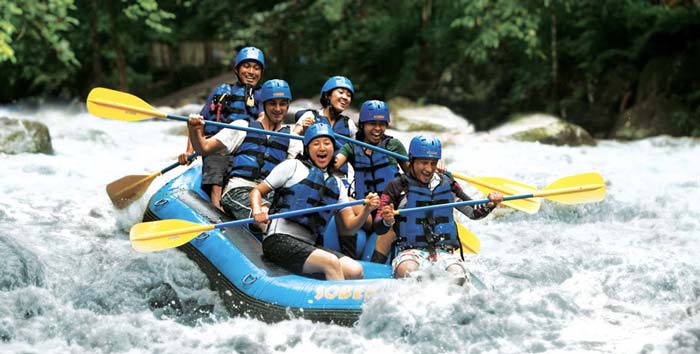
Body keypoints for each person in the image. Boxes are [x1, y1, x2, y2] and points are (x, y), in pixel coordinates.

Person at [250, 123, 380, 280]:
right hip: (279, 240)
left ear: (333, 149)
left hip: (309, 245)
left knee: (355, 270)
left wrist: (366, 209)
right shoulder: (292, 166)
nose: (322, 148)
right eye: (316, 143)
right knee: (331, 262)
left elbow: (349, 228)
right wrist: (257, 210)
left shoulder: (337, 183)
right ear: (307, 148)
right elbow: (257, 191)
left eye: (327, 143)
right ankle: (337, 304)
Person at [372, 134, 503, 282]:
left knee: (458, 276)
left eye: (433, 163)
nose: (429, 169)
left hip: (444, 252)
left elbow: (474, 212)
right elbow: (378, 227)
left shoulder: (448, 183)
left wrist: (490, 204)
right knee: (408, 271)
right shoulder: (396, 186)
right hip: (410, 252)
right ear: (411, 160)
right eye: (424, 162)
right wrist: (386, 221)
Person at [187, 79, 301, 230]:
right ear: (264, 105)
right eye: (273, 103)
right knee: (270, 219)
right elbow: (204, 148)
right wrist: (195, 129)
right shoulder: (242, 127)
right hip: (239, 190)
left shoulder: (293, 139)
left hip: (270, 195)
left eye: (283, 103)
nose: (278, 109)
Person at [179, 46, 266, 210]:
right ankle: (216, 207)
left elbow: (264, 118)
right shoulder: (221, 91)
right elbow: (198, 123)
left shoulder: (262, 95)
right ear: (237, 69)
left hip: (244, 147)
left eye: (256, 68)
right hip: (217, 145)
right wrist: (189, 152)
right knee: (218, 163)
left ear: (261, 73)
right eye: (246, 66)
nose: (251, 72)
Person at [335, 100, 409, 199]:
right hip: (365, 205)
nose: (377, 128)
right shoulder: (352, 147)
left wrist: (429, 164)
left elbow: (413, 172)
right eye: (372, 123)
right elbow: (335, 164)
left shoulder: (394, 145)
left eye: (382, 124)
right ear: (362, 125)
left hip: (392, 203)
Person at [293, 76, 357, 176]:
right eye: (340, 92)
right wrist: (304, 130)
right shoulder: (310, 116)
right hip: (310, 174)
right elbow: (292, 139)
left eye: (348, 95)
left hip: (339, 176)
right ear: (327, 95)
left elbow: (355, 151)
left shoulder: (349, 124)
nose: (345, 97)